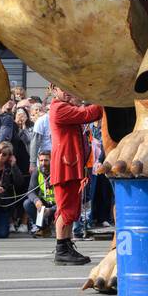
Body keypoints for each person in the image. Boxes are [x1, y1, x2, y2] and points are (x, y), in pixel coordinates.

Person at [47, 85, 102, 266]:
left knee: (70, 207)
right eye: (62, 88)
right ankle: (62, 249)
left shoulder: (63, 106)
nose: (67, 91)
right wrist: (105, 102)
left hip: (69, 165)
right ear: (53, 90)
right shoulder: (59, 108)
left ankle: (66, 245)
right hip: (65, 166)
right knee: (66, 208)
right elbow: (87, 114)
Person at [0, 140, 25, 238]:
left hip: (3, 205)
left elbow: (19, 182)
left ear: (9, 156)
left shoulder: (9, 167)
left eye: (5, 154)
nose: (1, 155)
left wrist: (14, 166)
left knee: (2, 234)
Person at [25, 150, 56, 236]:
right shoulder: (37, 172)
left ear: (52, 160)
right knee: (27, 203)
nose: (43, 163)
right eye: (41, 160)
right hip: (44, 203)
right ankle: (43, 228)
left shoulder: (58, 171)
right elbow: (31, 191)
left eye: (46, 160)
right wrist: (36, 200)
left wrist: (52, 209)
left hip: (58, 205)